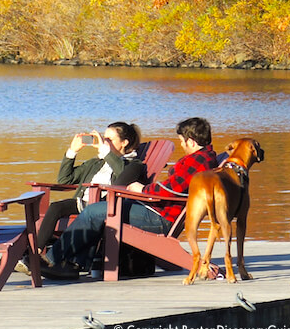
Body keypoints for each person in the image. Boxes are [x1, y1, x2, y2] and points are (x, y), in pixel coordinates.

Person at [40, 117, 217, 279]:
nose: (182, 145)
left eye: (182, 141)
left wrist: (143, 189)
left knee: (95, 211)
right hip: (154, 208)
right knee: (99, 211)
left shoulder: (197, 161)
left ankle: (50, 260)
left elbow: (170, 190)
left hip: (161, 217)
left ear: (191, 142)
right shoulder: (201, 159)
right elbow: (172, 188)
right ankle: (72, 265)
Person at [15, 122, 145, 276]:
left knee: (88, 217)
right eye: (104, 138)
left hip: (105, 207)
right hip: (83, 203)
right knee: (56, 207)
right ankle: (34, 253)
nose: (104, 142)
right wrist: (72, 152)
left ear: (124, 143)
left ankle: (57, 262)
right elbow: (65, 179)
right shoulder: (96, 163)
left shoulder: (134, 164)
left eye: (109, 139)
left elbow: (121, 180)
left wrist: (105, 152)